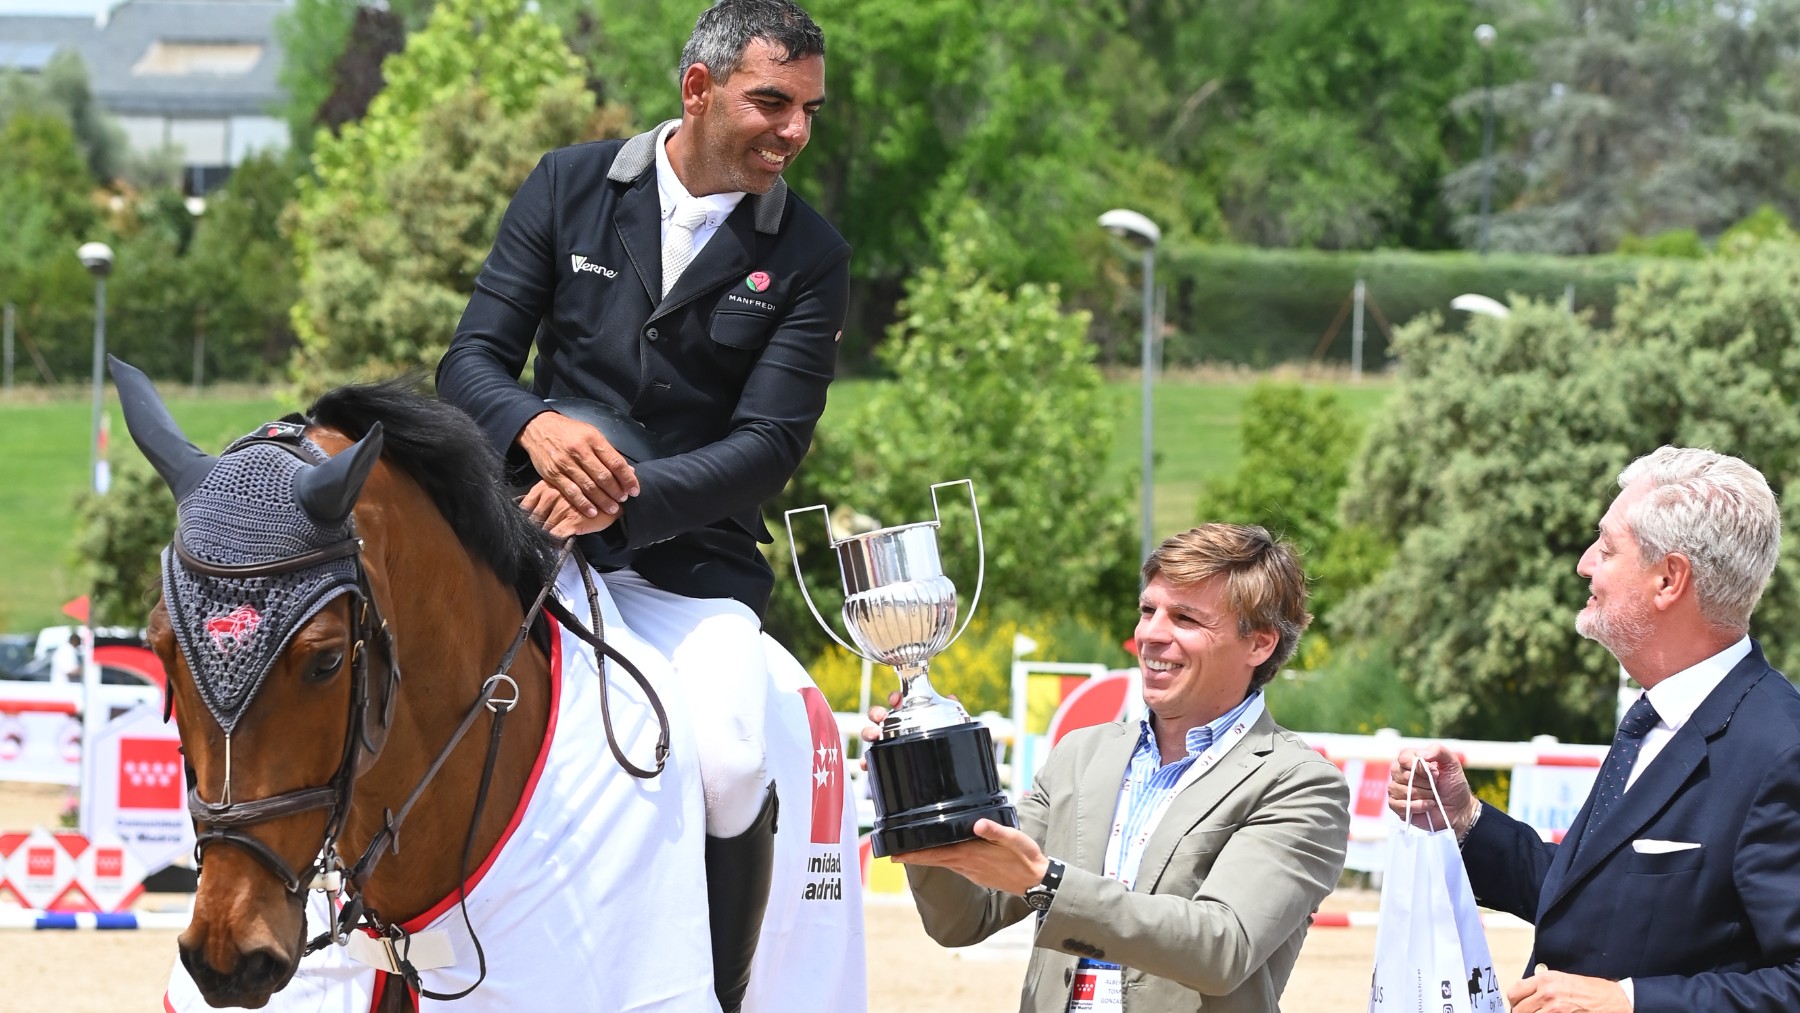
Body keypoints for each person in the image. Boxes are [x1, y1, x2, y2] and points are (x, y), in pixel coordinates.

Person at [434, 2, 848, 1009]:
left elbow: (768, 447)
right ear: (698, 90)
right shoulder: (566, 185)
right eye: (771, 102)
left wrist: (621, 498)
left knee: (734, 760)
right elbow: (470, 363)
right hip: (520, 533)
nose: (793, 131)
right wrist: (536, 428)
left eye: (808, 109)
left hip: (688, 559)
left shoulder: (810, 253)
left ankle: (718, 990)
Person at [1389, 446, 1800, 1011]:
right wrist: (1465, 822)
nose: (1585, 563)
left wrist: (1629, 1003)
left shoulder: (1782, 748)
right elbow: (1594, 896)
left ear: (1668, 580)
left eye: (1607, 547)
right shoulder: (1654, 716)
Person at [878, 524, 1351, 1012]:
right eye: (1149, 610)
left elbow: (1222, 947)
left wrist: (1048, 883)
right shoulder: (1080, 755)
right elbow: (965, 918)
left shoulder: (1299, 783)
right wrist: (924, 779)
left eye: (1185, 618)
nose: (1150, 633)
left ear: (1260, 644)